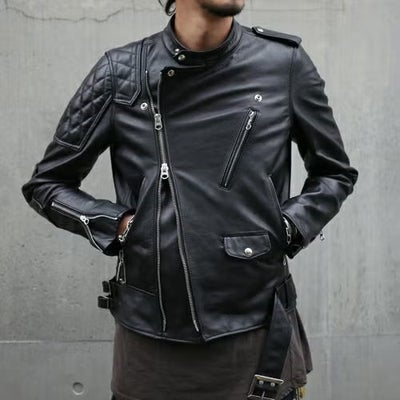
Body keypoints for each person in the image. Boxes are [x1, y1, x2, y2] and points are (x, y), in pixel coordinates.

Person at [21, 0, 359, 399]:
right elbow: (47, 184)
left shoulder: (283, 63)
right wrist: (123, 226)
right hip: (151, 337)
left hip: (256, 329)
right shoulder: (121, 72)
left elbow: (334, 173)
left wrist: (285, 228)